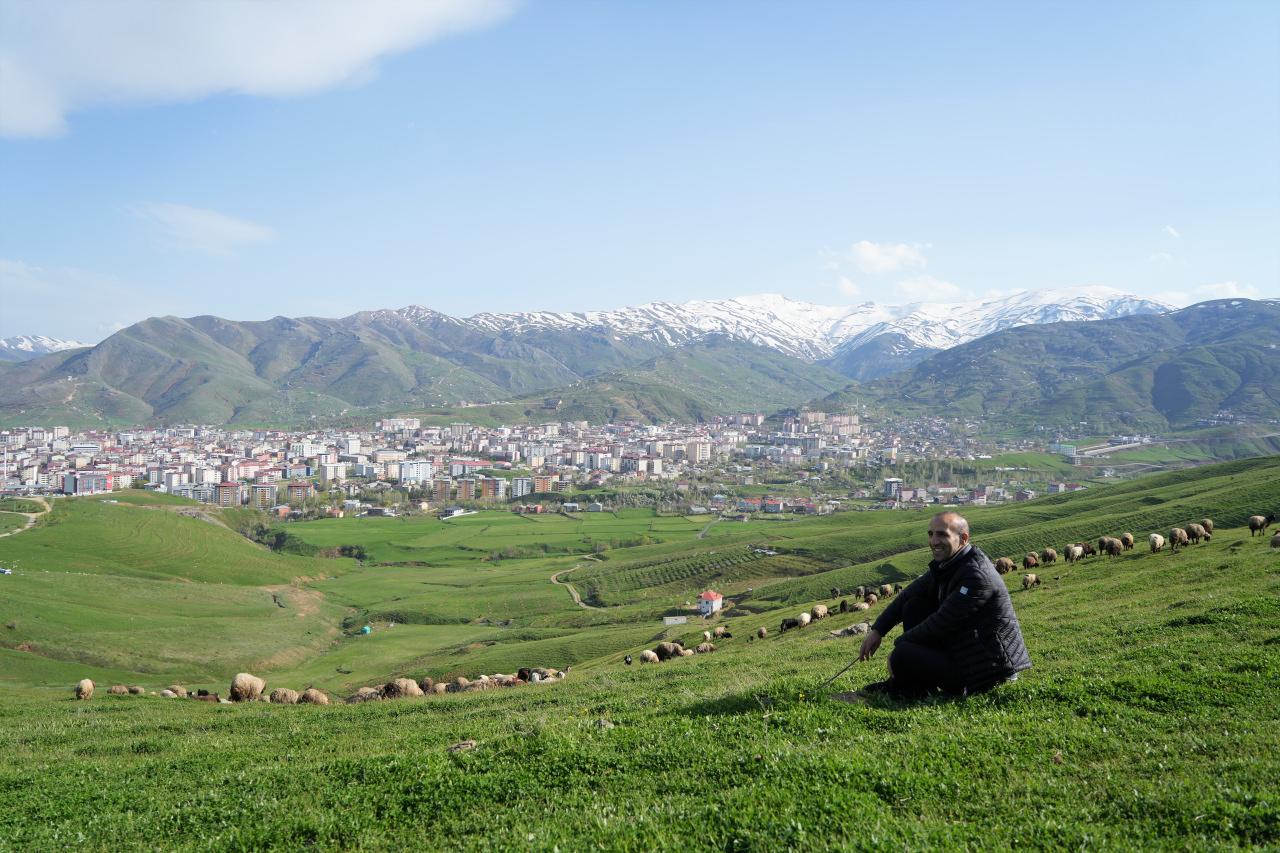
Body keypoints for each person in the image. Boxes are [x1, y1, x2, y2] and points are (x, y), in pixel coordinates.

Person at [855, 511, 1031, 700]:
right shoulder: (951, 564)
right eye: (931, 534)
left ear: (963, 538)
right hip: (965, 650)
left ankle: (908, 686)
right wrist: (878, 630)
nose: (934, 541)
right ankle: (912, 685)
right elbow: (907, 595)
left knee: (904, 653)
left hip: (988, 667)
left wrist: (900, 647)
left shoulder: (976, 576)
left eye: (942, 534)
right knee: (914, 605)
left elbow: (943, 622)